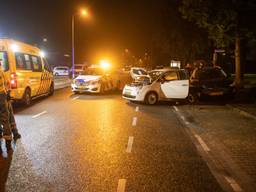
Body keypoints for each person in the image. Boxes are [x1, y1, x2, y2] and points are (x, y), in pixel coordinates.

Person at [0, 61, 12, 149]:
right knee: (5, 117)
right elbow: (7, 83)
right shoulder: (2, 71)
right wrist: (8, 93)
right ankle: (8, 141)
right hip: (1, 94)